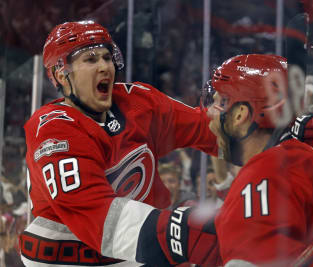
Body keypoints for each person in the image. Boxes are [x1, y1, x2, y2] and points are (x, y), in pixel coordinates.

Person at [20, 20, 221, 267]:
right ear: (62, 74)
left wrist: (263, 137)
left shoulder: (138, 101)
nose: (105, 66)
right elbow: (97, 216)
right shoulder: (52, 129)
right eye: (91, 60)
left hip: (130, 249)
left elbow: (208, 129)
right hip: (65, 256)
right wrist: (177, 234)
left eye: (107, 57)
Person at [202, 54, 313, 266]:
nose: (209, 113)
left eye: (218, 102)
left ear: (240, 116)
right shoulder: (290, 158)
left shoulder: (270, 170)